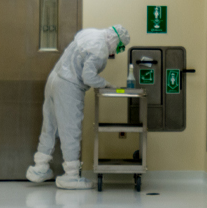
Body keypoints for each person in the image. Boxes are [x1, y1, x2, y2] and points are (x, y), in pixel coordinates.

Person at [26, 25, 131, 190]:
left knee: (50, 126)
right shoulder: (100, 49)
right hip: (68, 86)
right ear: (116, 40)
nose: (115, 52)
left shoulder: (90, 33)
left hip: (54, 78)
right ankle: (71, 176)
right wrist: (106, 84)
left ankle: (40, 167)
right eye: (118, 48)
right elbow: (88, 77)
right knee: (70, 129)